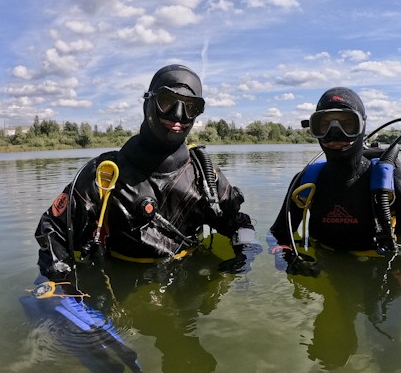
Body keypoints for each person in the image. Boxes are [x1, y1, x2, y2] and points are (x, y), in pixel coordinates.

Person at [269, 87, 401, 343]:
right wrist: (287, 258)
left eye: (347, 123)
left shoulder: (388, 179)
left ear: (362, 127)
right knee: (329, 344)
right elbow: (277, 234)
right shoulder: (306, 181)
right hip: (329, 267)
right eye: (324, 124)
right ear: (313, 129)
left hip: (385, 271)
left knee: (385, 346)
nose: (335, 133)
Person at [35, 64, 260, 286]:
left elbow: (240, 224)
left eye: (191, 107)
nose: (178, 115)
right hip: (121, 284)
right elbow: (54, 231)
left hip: (188, 288)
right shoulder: (105, 173)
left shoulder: (204, 174)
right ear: (149, 103)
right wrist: (61, 287)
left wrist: (245, 256)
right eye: (167, 101)